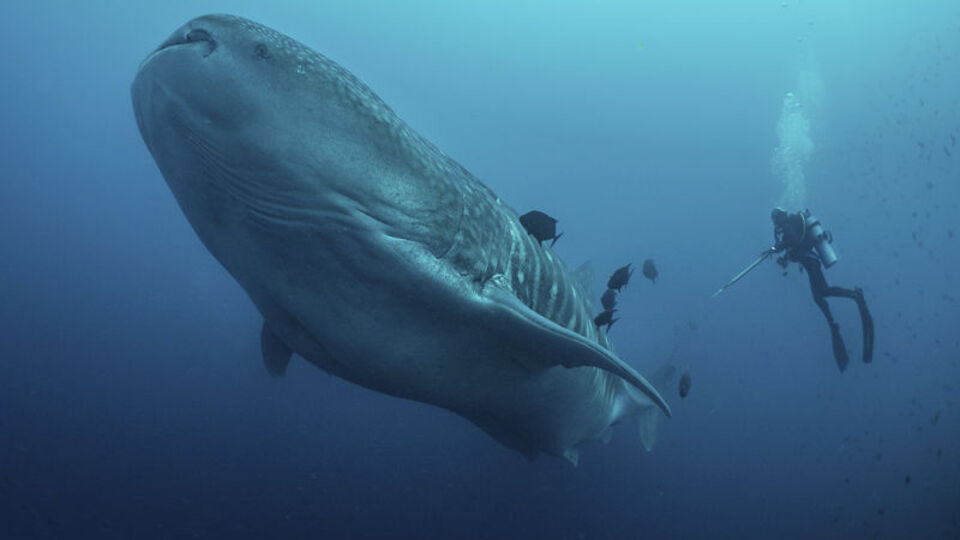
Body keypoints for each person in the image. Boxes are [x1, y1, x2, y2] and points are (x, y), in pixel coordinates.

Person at [770, 207, 874, 372]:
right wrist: (784, 258)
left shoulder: (789, 225)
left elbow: (795, 241)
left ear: (781, 218)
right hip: (809, 261)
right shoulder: (790, 228)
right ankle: (833, 320)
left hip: (811, 261)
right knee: (818, 296)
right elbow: (794, 248)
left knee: (823, 291)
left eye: (776, 219)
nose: (776, 223)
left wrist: (778, 247)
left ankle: (854, 296)